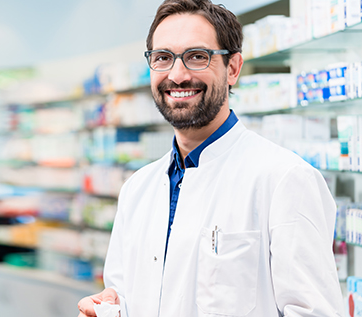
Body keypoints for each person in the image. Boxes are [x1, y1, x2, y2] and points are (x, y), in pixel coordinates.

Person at [78, 0, 345, 316]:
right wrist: (109, 308)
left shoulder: (285, 179)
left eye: (196, 57)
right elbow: (127, 294)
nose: (177, 75)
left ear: (232, 68)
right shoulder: (137, 188)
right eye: (163, 58)